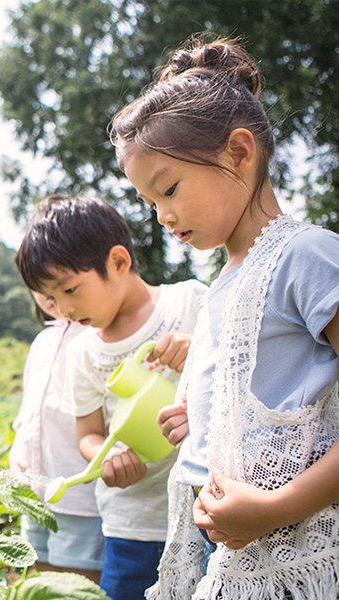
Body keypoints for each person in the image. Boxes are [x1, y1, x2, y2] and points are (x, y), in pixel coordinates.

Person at [110, 35, 339, 599]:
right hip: (228, 544)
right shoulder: (225, 280)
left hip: (286, 542)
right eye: (149, 201)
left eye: (169, 189)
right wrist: (206, 422)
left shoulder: (303, 255)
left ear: (239, 152)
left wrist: (277, 507)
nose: (161, 215)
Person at [15, 193, 206, 600]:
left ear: (118, 262)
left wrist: (202, 349)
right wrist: (106, 453)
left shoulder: (189, 302)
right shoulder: (84, 351)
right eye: (52, 296)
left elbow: (245, 372)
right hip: (132, 524)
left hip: (207, 511)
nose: (63, 308)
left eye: (70, 289)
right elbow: (87, 433)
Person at [8, 289, 104, 583]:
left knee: (79, 582)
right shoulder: (42, 341)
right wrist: (16, 449)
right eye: (39, 284)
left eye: (59, 281)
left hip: (78, 493)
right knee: (40, 573)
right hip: (35, 493)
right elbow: (27, 413)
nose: (49, 294)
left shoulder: (96, 337)